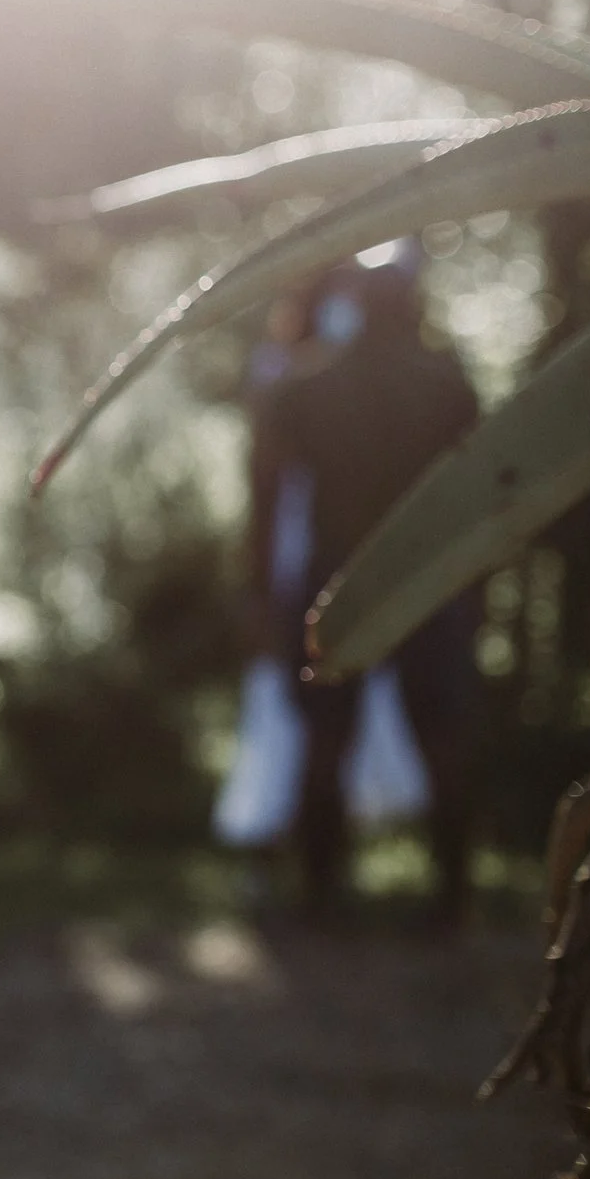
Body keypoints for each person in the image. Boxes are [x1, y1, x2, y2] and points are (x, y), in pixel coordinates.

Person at [248, 253, 482, 927]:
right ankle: (450, 899)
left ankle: (321, 892)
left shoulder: (305, 387)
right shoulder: (446, 384)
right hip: (427, 573)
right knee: (440, 736)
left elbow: (265, 498)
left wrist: (260, 591)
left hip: (334, 573)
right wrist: (478, 584)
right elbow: (488, 490)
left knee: (326, 739)